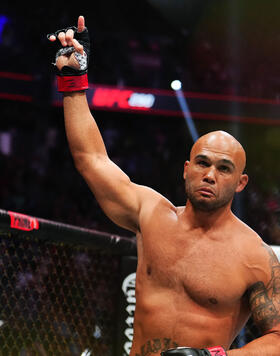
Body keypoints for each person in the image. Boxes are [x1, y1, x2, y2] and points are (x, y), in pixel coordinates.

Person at [48, 15, 280, 356]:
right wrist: (72, 80)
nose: (210, 175)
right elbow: (91, 159)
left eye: (224, 168)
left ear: (241, 182)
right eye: (202, 163)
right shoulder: (151, 214)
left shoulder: (255, 257)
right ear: (186, 169)